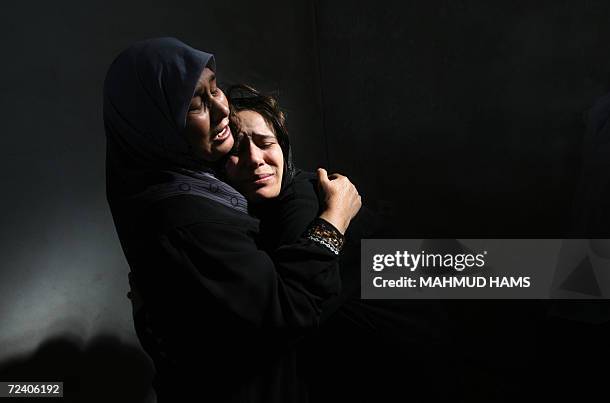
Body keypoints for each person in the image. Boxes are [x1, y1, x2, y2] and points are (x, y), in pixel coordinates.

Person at [103, 37, 361, 402]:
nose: (219, 110)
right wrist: (336, 218)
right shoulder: (190, 212)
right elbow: (287, 310)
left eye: (215, 88)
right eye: (196, 103)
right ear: (159, 125)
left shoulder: (298, 195)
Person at [223, 85, 454, 402]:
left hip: (408, 365)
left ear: (284, 145)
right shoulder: (261, 211)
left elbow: (288, 321)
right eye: (236, 150)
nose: (254, 159)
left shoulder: (302, 202)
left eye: (266, 143)